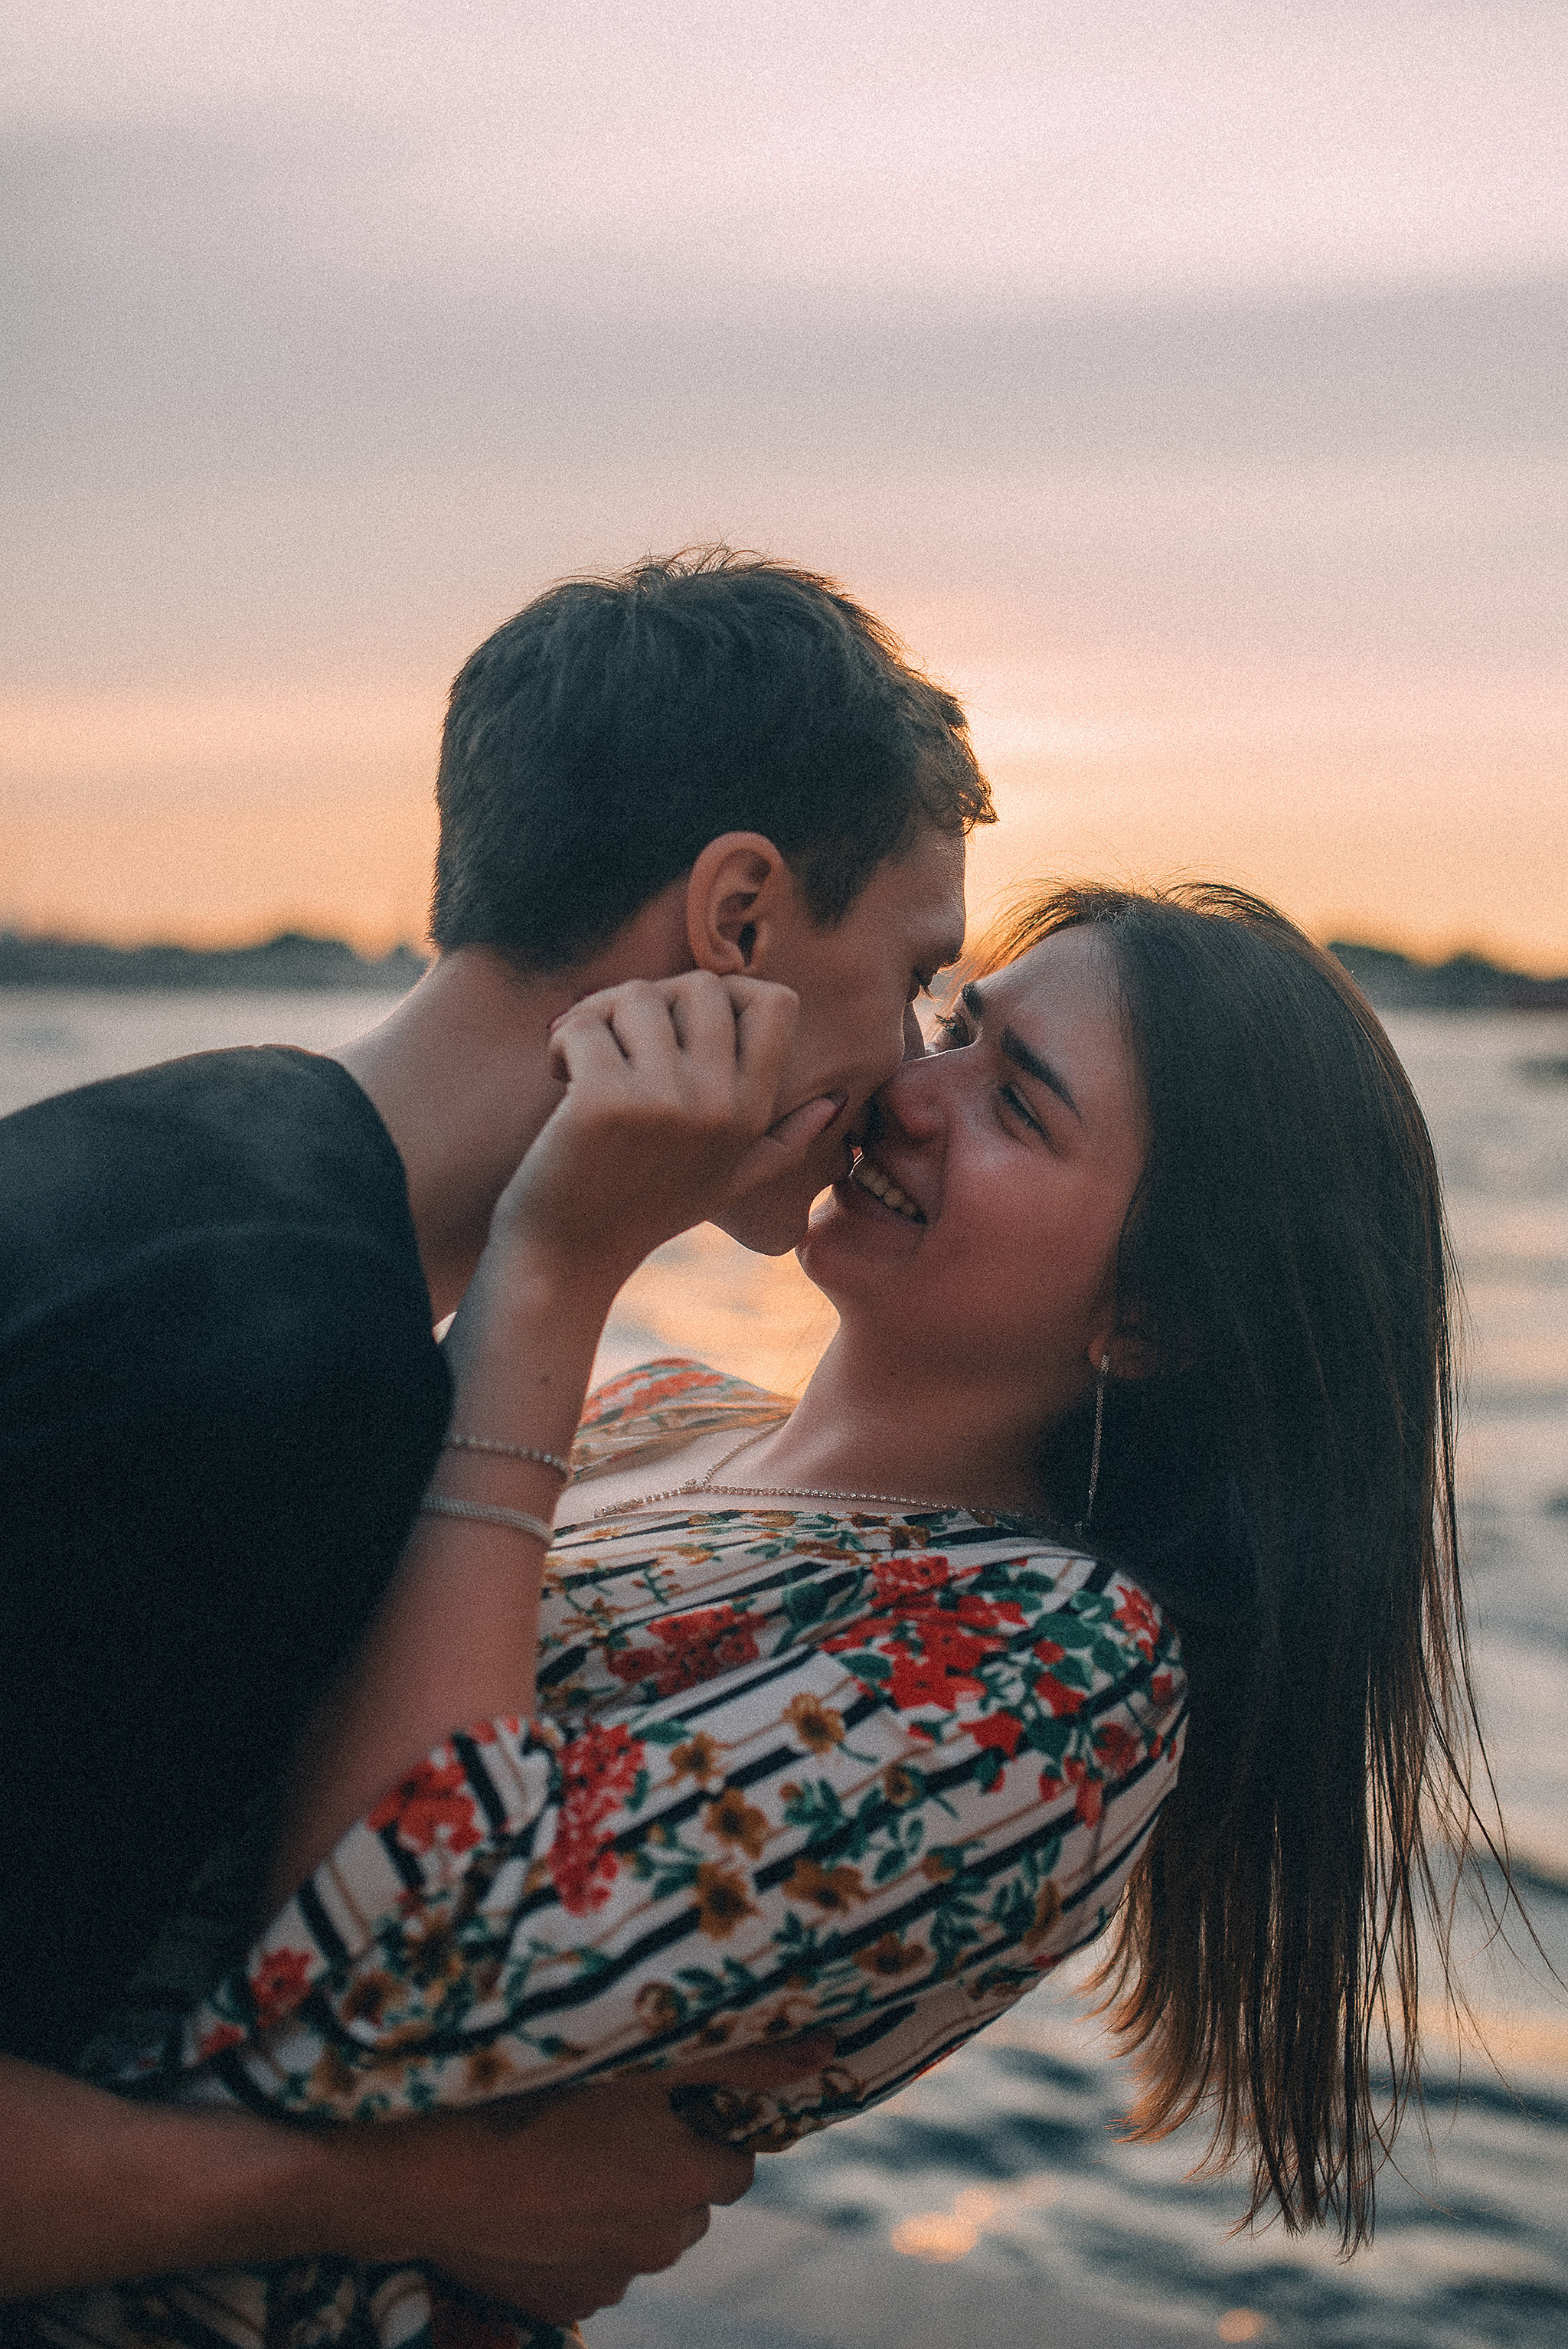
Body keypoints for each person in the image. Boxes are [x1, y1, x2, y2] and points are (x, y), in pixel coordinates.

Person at [35, 882, 1485, 2349]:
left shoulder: (1059, 1670)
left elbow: (395, 1948)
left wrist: (555, 1266)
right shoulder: (655, 1414)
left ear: (1154, 1320)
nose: (912, 1091)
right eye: (954, 1024)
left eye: (1018, 1105)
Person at [0, 553, 985, 2311]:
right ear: (738, 922)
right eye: (913, 974)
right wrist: (403, 2189)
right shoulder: (287, 1365)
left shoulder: (210, 1155)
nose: (913, 1075)